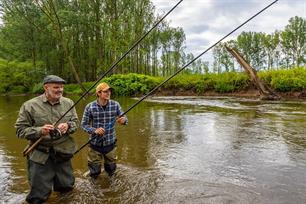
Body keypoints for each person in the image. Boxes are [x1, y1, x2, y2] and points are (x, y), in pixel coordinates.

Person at [15, 75, 79, 204]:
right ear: (46, 87)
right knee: (38, 197)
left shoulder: (69, 103)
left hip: (63, 153)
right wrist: (40, 131)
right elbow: (20, 130)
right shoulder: (29, 105)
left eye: (61, 87)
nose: (60, 90)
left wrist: (68, 126)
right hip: (40, 155)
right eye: (56, 87)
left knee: (67, 189)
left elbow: (76, 123)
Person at [81, 82, 127, 178]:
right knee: (94, 172)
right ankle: (95, 190)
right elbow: (83, 125)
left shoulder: (115, 105)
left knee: (111, 170)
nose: (109, 93)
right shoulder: (90, 107)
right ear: (98, 93)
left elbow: (125, 119)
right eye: (105, 91)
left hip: (110, 143)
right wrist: (94, 130)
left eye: (109, 91)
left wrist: (123, 121)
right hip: (94, 144)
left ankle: (110, 188)